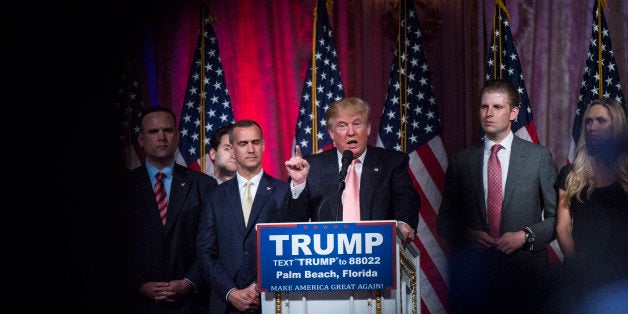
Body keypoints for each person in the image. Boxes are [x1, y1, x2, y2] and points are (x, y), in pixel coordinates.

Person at [436, 79, 558, 313]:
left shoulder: (538, 157)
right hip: (476, 278)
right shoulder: (462, 161)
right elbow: (445, 221)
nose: (488, 114)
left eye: (497, 107)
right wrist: (467, 234)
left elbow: (557, 220)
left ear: (513, 112)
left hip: (526, 276)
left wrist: (525, 235)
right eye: (484, 107)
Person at [117, 106, 216, 313]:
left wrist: (189, 282)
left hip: (191, 304)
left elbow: (212, 245)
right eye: (153, 132)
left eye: (168, 130)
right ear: (141, 140)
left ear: (177, 136)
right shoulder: (122, 189)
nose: (162, 137)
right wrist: (139, 285)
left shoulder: (204, 185)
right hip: (138, 303)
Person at [284, 96, 419, 242]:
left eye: (357, 124)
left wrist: (404, 222)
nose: (351, 132)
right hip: (326, 255)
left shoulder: (391, 162)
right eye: (342, 126)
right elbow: (293, 221)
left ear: (368, 128)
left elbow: (406, 198)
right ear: (331, 132)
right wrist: (298, 184)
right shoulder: (313, 166)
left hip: (378, 250)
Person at [197, 120, 290, 313]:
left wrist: (257, 288)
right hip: (225, 304)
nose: (250, 149)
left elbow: (288, 250)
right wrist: (231, 292)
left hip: (269, 302)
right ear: (231, 150)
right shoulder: (215, 196)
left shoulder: (284, 191)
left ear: (263, 146)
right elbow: (206, 252)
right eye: (243, 143)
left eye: (256, 142)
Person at [553, 98, 628, 312]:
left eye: (601, 121)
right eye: (588, 121)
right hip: (583, 272)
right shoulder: (571, 174)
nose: (592, 127)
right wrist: (576, 264)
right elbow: (563, 226)